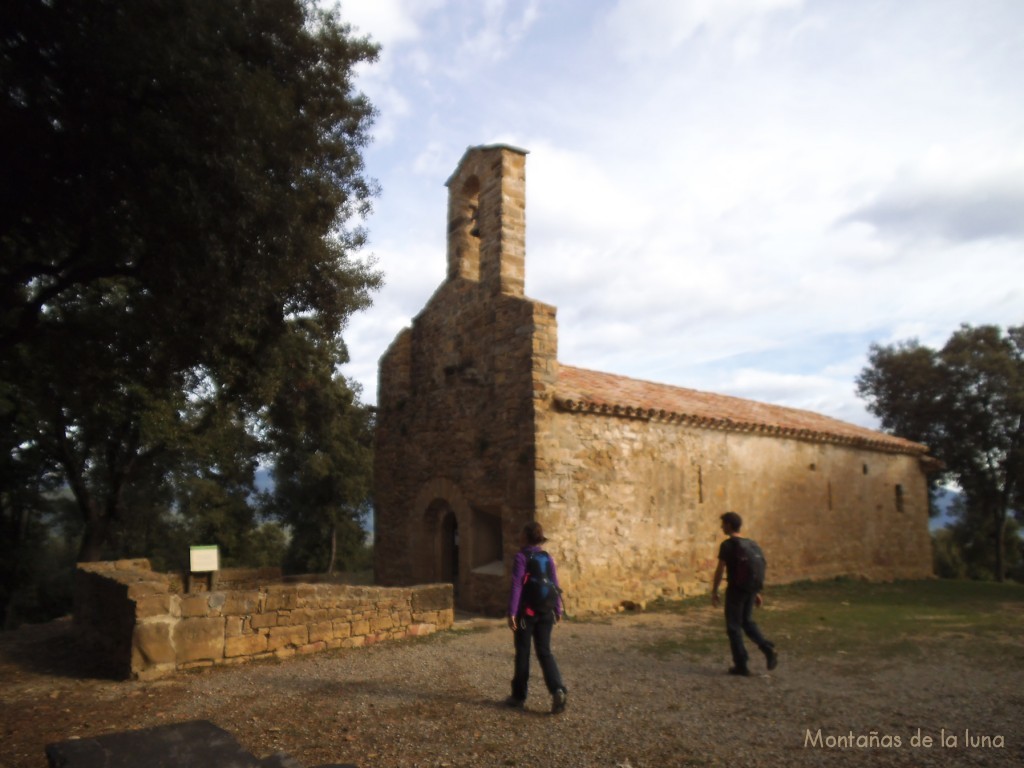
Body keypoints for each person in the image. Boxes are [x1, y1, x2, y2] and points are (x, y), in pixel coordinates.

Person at [506, 521, 568, 714]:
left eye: (521, 533)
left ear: (525, 537)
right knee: (545, 652)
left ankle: (518, 697)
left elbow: (517, 585)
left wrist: (512, 613)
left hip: (526, 614)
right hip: (546, 611)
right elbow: (554, 582)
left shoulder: (521, 557)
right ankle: (557, 689)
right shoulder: (547, 557)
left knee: (523, 653)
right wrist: (558, 609)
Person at [711, 511, 778, 676]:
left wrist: (714, 590)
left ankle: (741, 664)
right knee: (747, 622)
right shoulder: (751, 544)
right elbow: (754, 569)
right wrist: (756, 591)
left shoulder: (728, 545)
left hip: (736, 590)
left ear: (728, 525)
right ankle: (767, 648)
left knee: (733, 627)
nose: (721, 527)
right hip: (750, 589)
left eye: (723, 524)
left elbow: (720, 570)